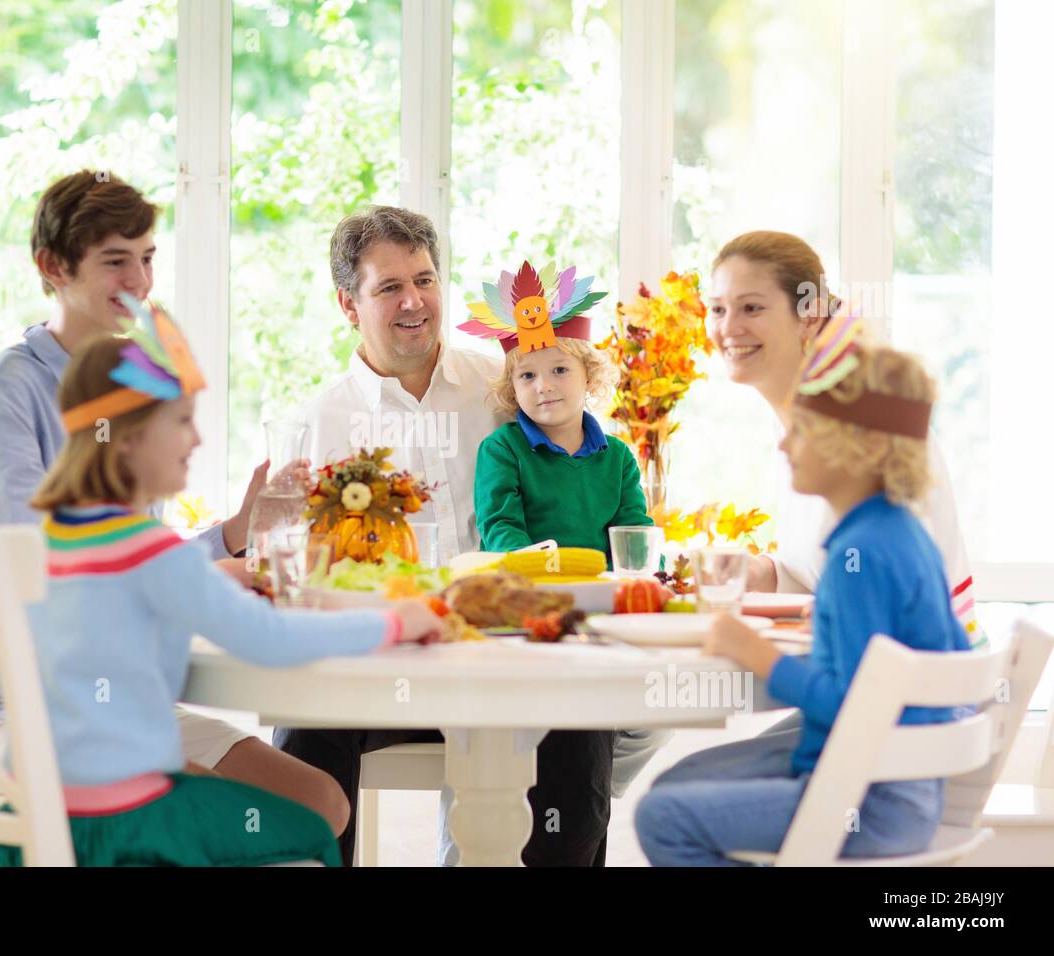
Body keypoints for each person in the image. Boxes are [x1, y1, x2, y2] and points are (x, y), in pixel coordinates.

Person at [0, 170, 349, 830]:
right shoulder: (5, 392)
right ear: (52, 266)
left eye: (148, 258)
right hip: (16, 714)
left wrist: (236, 532)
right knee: (230, 817)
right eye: (115, 261)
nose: (141, 282)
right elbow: (38, 570)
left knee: (317, 801)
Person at [276, 206, 657, 866]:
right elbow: (289, 569)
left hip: (511, 658)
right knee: (307, 726)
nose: (414, 301)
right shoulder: (319, 424)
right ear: (348, 304)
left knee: (579, 727)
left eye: (424, 279)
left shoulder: (506, 384)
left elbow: (587, 473)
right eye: (388, 287)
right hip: (381, 666)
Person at [0, 325, 440, 866]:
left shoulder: (51, 539)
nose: (197, 441)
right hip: (124, 831)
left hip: (31, 822)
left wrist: (211, 580)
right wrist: (398, 622)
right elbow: (275, 640)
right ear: (129, 438)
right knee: (319, 822)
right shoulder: (154, 554)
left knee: (286, 794)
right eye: (181, 423)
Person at [635, 322, 972, 866]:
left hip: (869, 796)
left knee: (662, 816)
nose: (785, 442)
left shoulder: (859, 555)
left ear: (860, 448)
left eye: (804, 428)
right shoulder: (898, 533)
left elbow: (851, 706)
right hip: (905, 787)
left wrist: (756, 653)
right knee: (681, 780)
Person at [705, 231, 981, 644]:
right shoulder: (795, 430)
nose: (728, 328)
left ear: (811, 316)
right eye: (717, 308)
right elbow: (829, 573)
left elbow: (887, 583)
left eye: (751, 308)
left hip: (911, 690)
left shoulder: (865, 426)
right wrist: (765, 572)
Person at [463, 259, 652, 557]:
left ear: (588, 376)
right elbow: (500, 526)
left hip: (602, 592)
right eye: (528, 375)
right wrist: (538, 575)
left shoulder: (618, 458)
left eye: (560, 370)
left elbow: (634, 534)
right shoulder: (502, 449)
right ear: (513, 388)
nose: (543, 386)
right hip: (527, 592)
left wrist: (652, 573)